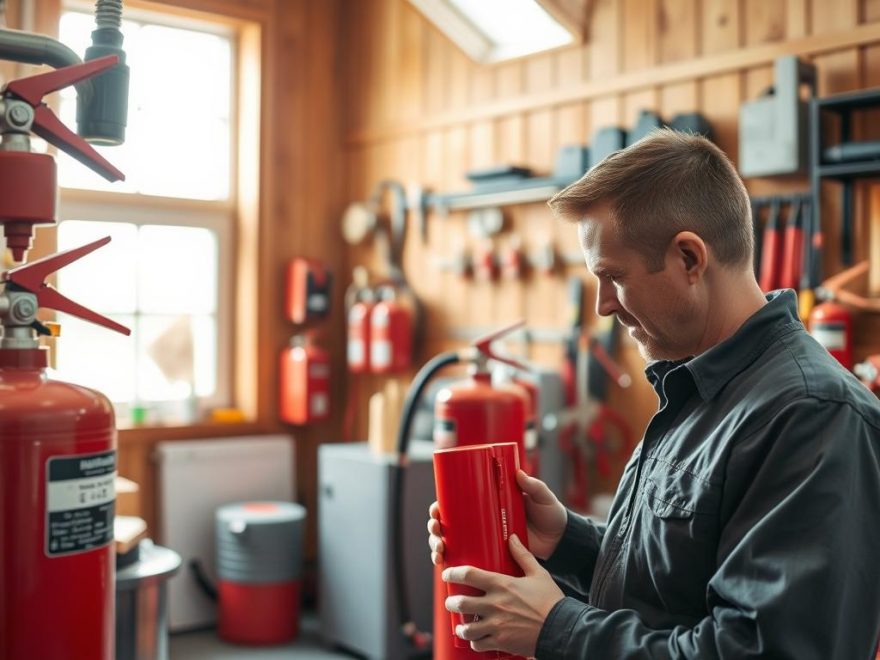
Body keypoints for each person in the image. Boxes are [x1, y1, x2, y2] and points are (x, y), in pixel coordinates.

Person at [427, 128, 880, 658]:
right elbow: (676, 589)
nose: (602, 306)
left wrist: (556, 628)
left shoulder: (812, 417)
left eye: (613, 276)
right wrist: (566, 541)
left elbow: (760, 650)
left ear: (690, 259)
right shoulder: (695, 385)